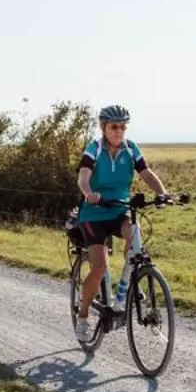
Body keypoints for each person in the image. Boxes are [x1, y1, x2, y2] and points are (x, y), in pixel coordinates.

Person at [74, 104, 167, 340]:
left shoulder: (130, 148)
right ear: (104, 128)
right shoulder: (94, 148)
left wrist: (163, 193)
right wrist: (88, 194)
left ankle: (129, 286)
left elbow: (146, 173)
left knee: (135, 237)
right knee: (100, 267)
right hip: (94, 214)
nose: (119, 131)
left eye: (123, 126)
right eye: (114, 126)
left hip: (119, 210)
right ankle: (83, 314)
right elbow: (83, 177)